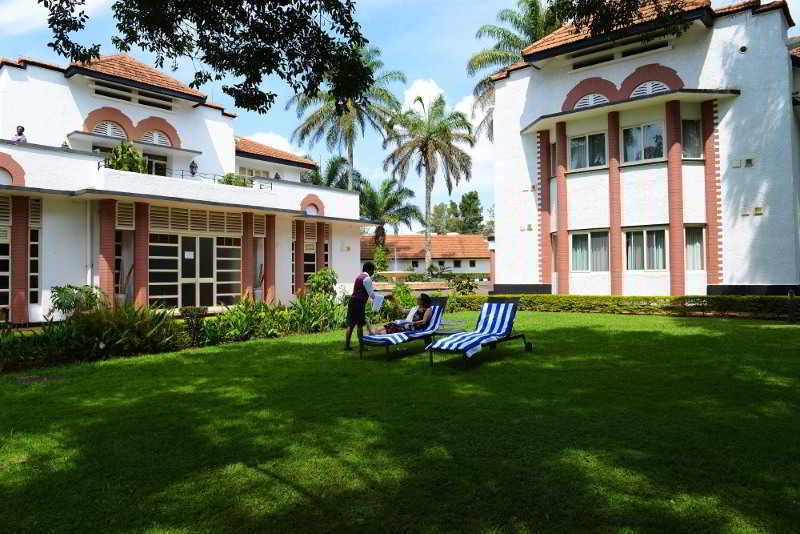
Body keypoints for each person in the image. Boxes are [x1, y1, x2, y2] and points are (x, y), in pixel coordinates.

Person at [344, 262, 386, 350]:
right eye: (373, 271)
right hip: (359, 303)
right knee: (359, 325)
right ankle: (362, 347)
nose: (373, 273)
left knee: (350, 325)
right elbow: (371, 294)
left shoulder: (358, 277)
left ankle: (347, 346)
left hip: (352, 301)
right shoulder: (367, 279)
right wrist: (383, 298)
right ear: (369, 270)